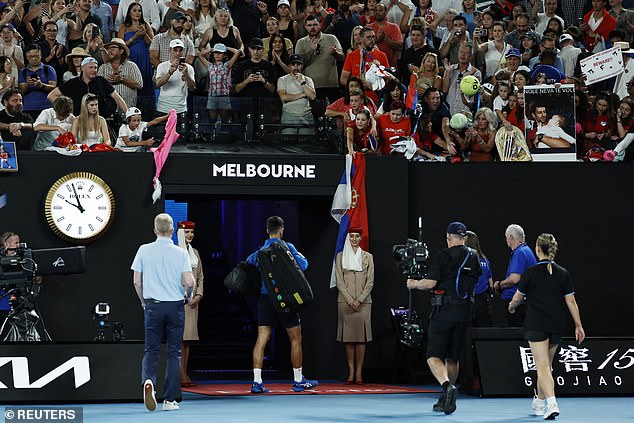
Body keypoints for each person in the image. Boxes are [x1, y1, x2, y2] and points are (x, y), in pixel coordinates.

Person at [508, 233, 585, 420]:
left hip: (536, 324)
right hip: (556, 324)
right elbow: (571, 301)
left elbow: (517, 298)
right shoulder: (563, 273)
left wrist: (511, 305)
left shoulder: (530, 273)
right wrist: (578, 326)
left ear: (537, 249)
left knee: (542, 366)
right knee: (546, 367)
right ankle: (540, 401)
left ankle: (552, 404)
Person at [406, 222, 481, 415]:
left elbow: (430, 283)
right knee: (453, 357)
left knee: (433, 356)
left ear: (448, 237)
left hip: (443, 313)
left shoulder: (443, 256)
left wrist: (414, 284)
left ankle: (447, 386)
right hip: (465, 314)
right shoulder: (474, 256)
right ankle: (446, 396)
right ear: (464, 237)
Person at [246, 216, 318, 394]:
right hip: (286, 300)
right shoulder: (288, 247)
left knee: (262, 339)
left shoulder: (259, 251)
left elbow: (248, 265)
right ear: (282, 229)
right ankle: (298, 380)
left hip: (266, 298)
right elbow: (304, 265)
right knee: (295, 338)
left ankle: (257, 382)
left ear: (267, 230)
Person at [132, 213, 195, 412]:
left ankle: (148, 381)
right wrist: (188, 295)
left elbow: (136, 281)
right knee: (174, 353)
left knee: (151, 350)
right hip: (175, 306)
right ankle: (169, 400)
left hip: (153, 306)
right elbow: (190, 281)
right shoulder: (180, 253)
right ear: (172, 231)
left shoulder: (143, 250)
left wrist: (144, 302)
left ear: (155, 230)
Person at [336, 227, 373, 385]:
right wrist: (351, 300)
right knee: (349, 339)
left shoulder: (368, 257)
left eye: (357, 236)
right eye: (351, 236)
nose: (354, 239)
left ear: (360, 238)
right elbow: (339, 281)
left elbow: (370, 281)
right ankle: (350, 371)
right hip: (345, 302)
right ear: (348, 238)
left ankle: (359, 373)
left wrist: (359, 300)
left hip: (363, 303)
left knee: (361, 339)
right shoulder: (341, 257)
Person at [48, 56, 127, 117]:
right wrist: (65, 111)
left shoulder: (101, 81)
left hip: (98, 121)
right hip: (78, 121)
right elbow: (51, 96)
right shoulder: (73, 83)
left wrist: (128, 114)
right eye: (91, 67)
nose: (94, 70)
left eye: (95, 68)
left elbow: (117, 98)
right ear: (82, 68)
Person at [175, 220, 204, 388]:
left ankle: (183, 373)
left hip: (193, 303)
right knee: (178, 339)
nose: (190, 235)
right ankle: (181, 376)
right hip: (180, 301)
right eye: (186, 232)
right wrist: (185, 296)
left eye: (192, 232)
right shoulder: (175, 252)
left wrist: (198, 295)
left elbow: (200, 277)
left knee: (187, 341)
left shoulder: (195, 253)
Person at [493, 224, 536, 327]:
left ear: (511, 238)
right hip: (524, 303)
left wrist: (499, 285)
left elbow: (514, 279)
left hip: (517, 304)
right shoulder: (527, 251)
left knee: (517, 338)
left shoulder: (520, 253)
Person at [294, 14, 344, 102]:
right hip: (310, 87)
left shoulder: (331, 38)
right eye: (309, 25)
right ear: (305, 27)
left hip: (331, 86)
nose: (312, 28)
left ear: (320, 25)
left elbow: (342, 57)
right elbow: (298, 65)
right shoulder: (301, 42)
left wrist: (335, 53)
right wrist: (311, 51)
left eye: (315, 25)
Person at [198, 43, 241, 127]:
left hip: (223, 97)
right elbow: (200, 55)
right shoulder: (210, 66)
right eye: (216, 52)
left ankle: (224, 138)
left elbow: (237, 52)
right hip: (212, 97)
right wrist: (212, 49)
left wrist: (226, 47)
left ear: (224, 55)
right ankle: (213, 137)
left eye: (220, 52)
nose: (217, 54)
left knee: (225, 121)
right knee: (212, 121)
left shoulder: (227, 65)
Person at [118, 2, 154, 98]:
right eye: (134, 10)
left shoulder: (146, 25)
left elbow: (151, 44)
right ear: (129, 13)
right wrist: (135, 37)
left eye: (139, 11)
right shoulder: (123, 27)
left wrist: (144, 33)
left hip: (144, 59)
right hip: (130, 59)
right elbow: (120, 46)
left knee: (145, 83)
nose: (138, 13)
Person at [97, 37, 143, 111]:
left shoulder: (131, 66)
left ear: (121, 51)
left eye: (113, 48)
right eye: (109, 48)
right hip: (107, 111)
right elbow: (97, 87)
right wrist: (106, 83)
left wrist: (121, 80)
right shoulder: (103, 68)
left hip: (128, 111)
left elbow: (139, 85)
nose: (109, 50)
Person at [155, 39, 196, 116]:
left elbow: (192, 88)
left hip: (180, 108)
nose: (178, 53)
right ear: (170, 50)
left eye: (180, 50)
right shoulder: (162, 66)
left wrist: (186, 75)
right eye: (175, 50)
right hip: (163, 108)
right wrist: (170, 72)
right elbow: (158, 84)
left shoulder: (189, 68)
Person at [277, 54, 316, 134]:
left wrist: (302, 82)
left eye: (298, 64)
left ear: (302, 66)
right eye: (293, 64)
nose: (296, 67)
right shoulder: (283, 79)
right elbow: (284, 98)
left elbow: (312, 96)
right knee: (288, 137)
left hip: (306, 114)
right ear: (289, 66)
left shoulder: (308, 80)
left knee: (306, 139)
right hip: (289, 114)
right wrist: (303, 94)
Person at [18, 44, 57, 120]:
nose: (33, 58)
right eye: (30, 56)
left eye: (36, 56)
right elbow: (21, 91)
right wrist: (27, 84)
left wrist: (41, 85)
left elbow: (54, 88)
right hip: (27, 108)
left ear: (40, 55)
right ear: (26, 57)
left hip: (46, 108)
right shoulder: (23, 72)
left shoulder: (48, 69)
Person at [465, 230, 492, 327]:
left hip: (468, 301)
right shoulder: (485, 260)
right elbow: (491, 283)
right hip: (483, 301)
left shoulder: (464, 261)